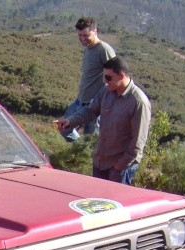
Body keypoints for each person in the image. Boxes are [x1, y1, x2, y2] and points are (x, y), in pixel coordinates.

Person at [55, 56, 151, 185]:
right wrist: (70, 121)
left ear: (122, 76)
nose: (105, 81)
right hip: (101, 161)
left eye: (108, 78)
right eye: (104, 77)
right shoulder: (106, 91)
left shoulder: (138, 102)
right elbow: (91, 111)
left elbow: (138, 142)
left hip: (120, 166)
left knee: (114, 203)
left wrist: (119, 166)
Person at [60, 16, 116, 143]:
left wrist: (106, 103)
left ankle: (87, 157)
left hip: (95, 105)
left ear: (95, 31)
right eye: (80, 36)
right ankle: (80, 151)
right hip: (80, 101)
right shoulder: (88, 49)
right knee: (64, 127)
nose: (82, 39)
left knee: (90, 141)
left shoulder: (104, 50)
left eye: (86, 35)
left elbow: (114, 76)